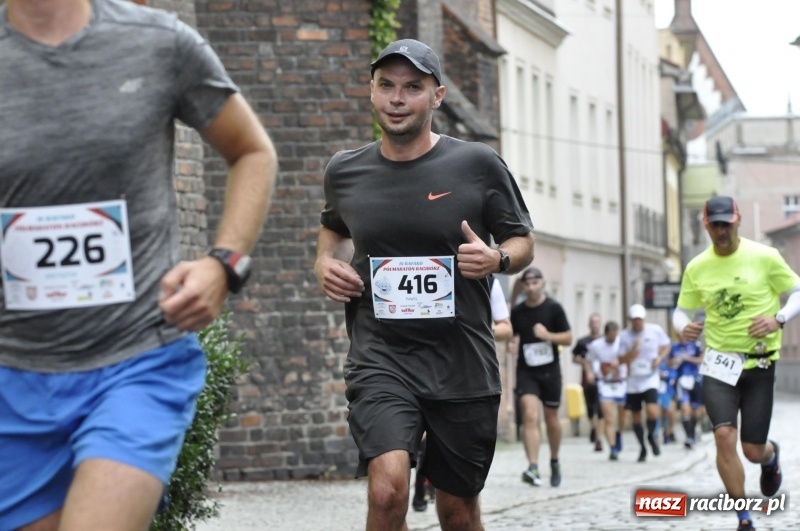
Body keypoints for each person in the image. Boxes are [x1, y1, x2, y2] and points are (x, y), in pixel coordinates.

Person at [0, 1, 277, 530]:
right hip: (13, 375)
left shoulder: (158, 43)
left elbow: (252, 152)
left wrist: (224, 264)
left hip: (136, 360)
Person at [314, 38, 534, 531]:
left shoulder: (477, 164)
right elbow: (333, 226)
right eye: (386, 86)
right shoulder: (346, 170)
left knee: (456, 511)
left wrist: (496, 258)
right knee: (388, 490)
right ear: (371, 93)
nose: (397, 98)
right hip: (382, 356)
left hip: (461, 362)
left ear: (437, 96)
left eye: (412, 88)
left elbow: (522, 242)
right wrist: (322, 263)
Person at [672, 195, 800, 531]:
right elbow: (680, 310)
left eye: (726, 223)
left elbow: (798, 291)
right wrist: (681, 327)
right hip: (718, 363)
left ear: (738, 220)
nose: (721, 230)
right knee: (724, 436)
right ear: (706, 225)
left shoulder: (765, 257)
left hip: (759, 362)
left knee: (753, 450)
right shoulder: (697, 266)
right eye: (715, 224)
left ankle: (770, 458)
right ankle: (744, 517)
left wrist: (779, 319)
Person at [411, 277, 511, 512]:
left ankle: (428, 485)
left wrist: (477, 328)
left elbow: (505, 327)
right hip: (414, 363)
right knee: (422, 440)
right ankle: (421, 487)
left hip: (462, 371)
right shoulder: (412, 267)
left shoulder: (487, 279)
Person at [510, 267, 572, 487]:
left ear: (543, 283)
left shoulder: (554, 308)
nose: (531, 287)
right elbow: (511, 332)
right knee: (529, 414)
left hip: (550, 371)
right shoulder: (518, 311)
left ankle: (554, 460)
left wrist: (547, 335)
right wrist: (511, 342)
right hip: (526, 370)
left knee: (551, 418)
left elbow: (568, 338)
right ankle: (533, 466)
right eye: (527, 284)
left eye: (535, 282)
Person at [618, 304, 671, 462]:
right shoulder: (625, 336)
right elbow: (620, 359)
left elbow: (667, 345)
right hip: (634, 380)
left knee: (653, 411)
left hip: (650, 377)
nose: (637, 323)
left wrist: (660, 358)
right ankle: (642, 447)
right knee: (635, 417)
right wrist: (631, 352)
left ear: (643, 319)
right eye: (634, 320)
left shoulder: (654, 330)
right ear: (630, 320)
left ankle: (651, 436)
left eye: (639, 320)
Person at [584, 321, 627, 460]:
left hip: (621, 383)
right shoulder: (597, 345)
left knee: (621, 416)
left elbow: (631, 358)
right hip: (605, 383)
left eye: (615, 335)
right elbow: (587, 360)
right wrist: (589, 372)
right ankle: (613, 448)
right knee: (608, 416)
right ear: (606, 333)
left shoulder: (622, 343)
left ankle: (619, 432)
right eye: (611, 336)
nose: (613, 338)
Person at [571, 313, 604, 452]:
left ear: (600, 324)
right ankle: (594, 427)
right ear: (589, 324)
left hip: (602, 379)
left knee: (601, 409)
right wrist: (584, 362)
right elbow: (574, 357)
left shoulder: (604, 340)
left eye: (597, 322)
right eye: (593, 322)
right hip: (587, 379)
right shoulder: (583, 342)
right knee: (591, 409)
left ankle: (599, 439)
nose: (595, 325)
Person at [672, 336, 704, 449]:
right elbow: (668, 362)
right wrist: (676, 361)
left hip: (695, 379)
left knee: (696, 412)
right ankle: (688, 436)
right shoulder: (674, 347)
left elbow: (702, 359)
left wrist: (688, 358)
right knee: (685, 409)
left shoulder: (696, 345)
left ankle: (693, 433)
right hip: (681, 380)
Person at [657, 343, 680, 445]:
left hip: (669, 391)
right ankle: (657, 434)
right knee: (658, 413)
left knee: (670, 411)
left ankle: (669, 432)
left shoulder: (670, 364)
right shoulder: (655, 362)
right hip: (657, 392)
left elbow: (673, 376)